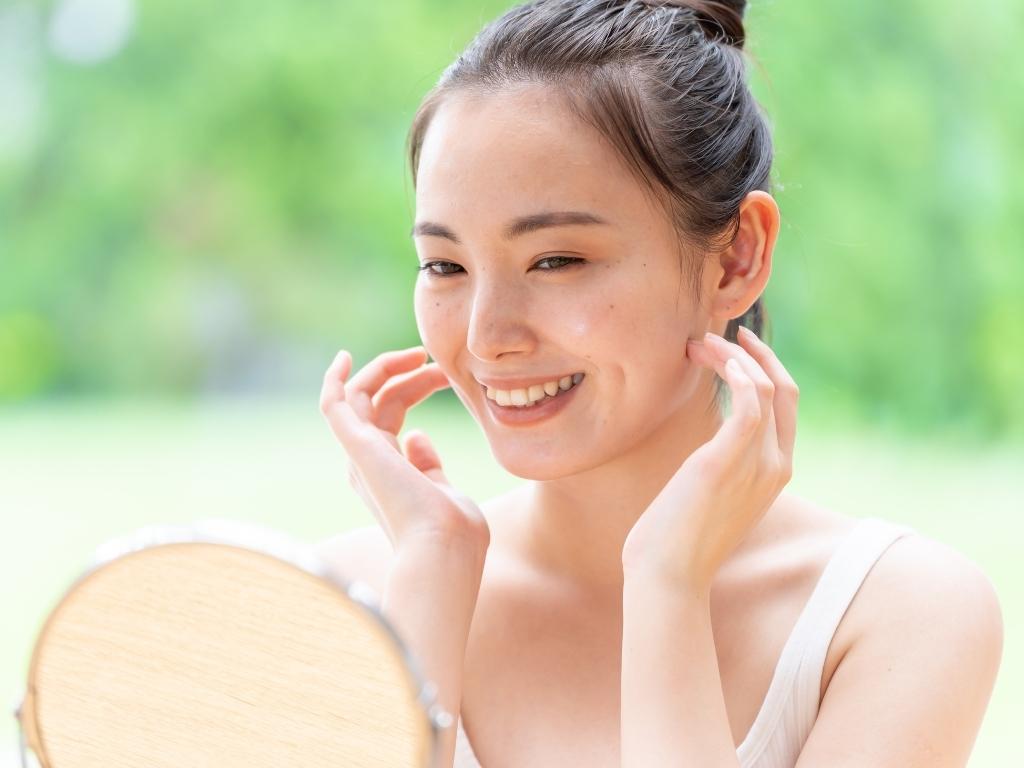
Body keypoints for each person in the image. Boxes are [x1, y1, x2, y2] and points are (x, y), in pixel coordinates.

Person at [316, 1, 1003, 766]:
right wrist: (427, 591)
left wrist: (667, 586)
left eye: (556, 261)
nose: (485, 338)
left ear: (737, 256)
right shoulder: (357, 592)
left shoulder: (894, 614)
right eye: (445, 266)